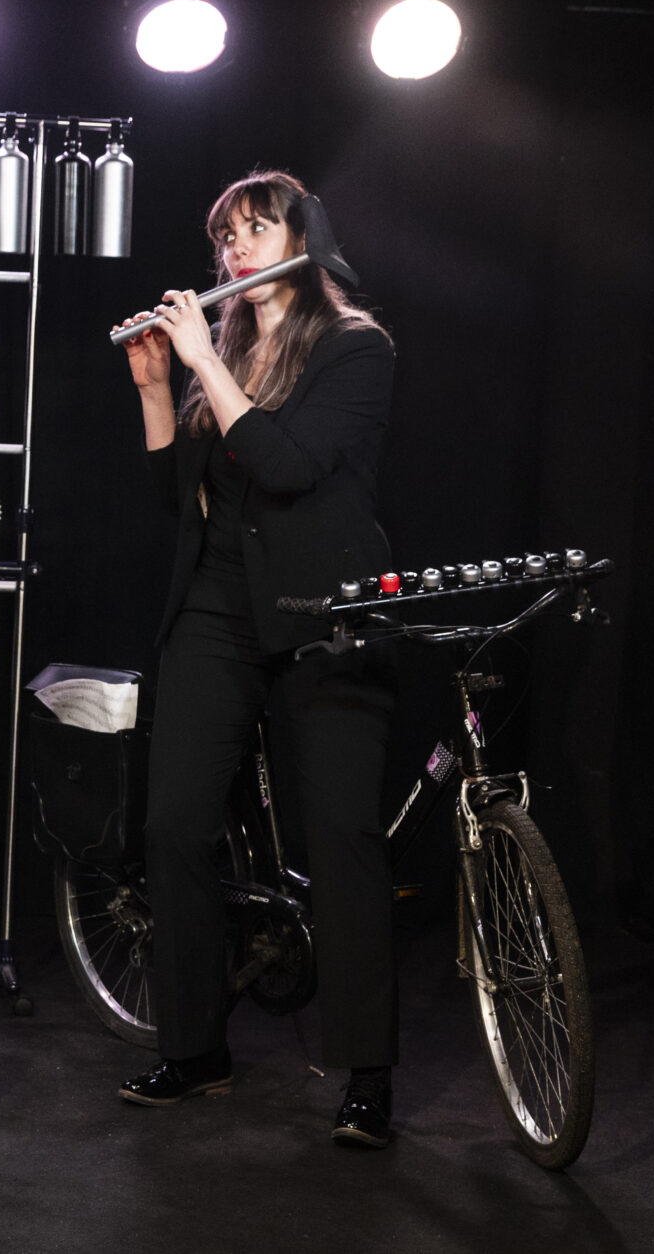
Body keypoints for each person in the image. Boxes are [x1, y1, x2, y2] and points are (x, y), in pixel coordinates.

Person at [114, 169, 400, 1148]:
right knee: (173, 823)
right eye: (224, 234)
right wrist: (158, 385)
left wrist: (201, 358)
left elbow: (285, 466)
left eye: (255, 228)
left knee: (342, 834)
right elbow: (176, 498)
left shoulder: (356, 349)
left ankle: (367, 1075)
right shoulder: (227, 349)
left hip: (324, 609)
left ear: (302, 239)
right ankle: (195, 1046)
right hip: (217, 607)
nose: (233, 248)